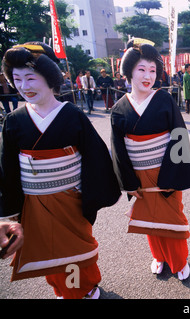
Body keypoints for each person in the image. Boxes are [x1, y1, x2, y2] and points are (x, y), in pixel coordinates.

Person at [0, 42, 121, 299]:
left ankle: (83, 288)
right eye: (17, 79)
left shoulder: (72, 115)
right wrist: (9, 212)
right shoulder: (14, 121)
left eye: (31, 78)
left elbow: (96, 160)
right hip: (34, 203)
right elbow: (8, 170)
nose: (24, 86)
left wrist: (90, 195)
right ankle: (62, 289)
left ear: (50, 79)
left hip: (70, 199)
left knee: (75, 249)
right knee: (48, 251)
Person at [110, 40, 190, 281]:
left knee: (172, 217)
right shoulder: (119, 108)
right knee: (149, 219)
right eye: (141, 69)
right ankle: (158, 256)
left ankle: (179, 260)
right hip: (139, 175)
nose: (148, 76)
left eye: (152, 70)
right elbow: (118, 149)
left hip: (166, 171)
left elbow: (179, 136)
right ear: (128, 73)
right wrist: (128, 182)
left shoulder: (164, 99)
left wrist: (174, 177)